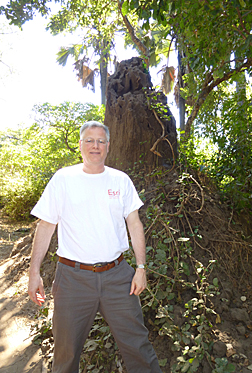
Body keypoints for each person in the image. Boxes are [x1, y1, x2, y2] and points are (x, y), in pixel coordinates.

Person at [28, 121, 162, 373]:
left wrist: (141, 267)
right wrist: (33, 272)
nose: (95, 145)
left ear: (108, 146)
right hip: (72, 279)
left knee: (138, 347)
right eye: (89, 140)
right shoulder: (63, 179)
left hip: (118, 276)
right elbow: (45, 227)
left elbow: (135, 224)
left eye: (101, 141)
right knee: (66, 353)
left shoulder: (120, 180)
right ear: (80, 145)